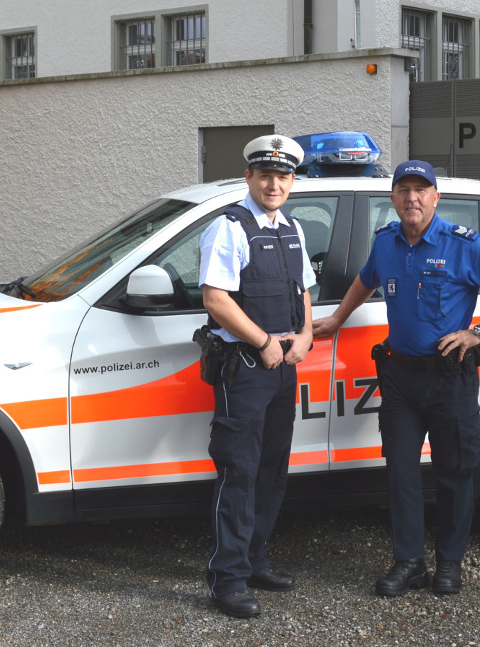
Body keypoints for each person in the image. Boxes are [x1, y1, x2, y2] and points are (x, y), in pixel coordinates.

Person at [312, 160, 480, 597]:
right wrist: (337, 317)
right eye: (404, 190)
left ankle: (450, 563)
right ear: (391, 199)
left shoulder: (461, 244)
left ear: (435, 196)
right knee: (402, 473)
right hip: (401, 380)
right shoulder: (387, 242)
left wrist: (479, 331)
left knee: (453, 472)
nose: (412, 198)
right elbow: (365, 280)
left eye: (421, 189)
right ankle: (408, 562)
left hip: (449, 379)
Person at [198, 134, 317, 618]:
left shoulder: (292, 228)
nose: (274, 183)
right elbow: (216, 299)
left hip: (284, 365)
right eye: (265, 174)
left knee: (272, 470)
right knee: (239, 472)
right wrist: (265, 343)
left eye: (283, 176)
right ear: (248, 177)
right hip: (245, 369)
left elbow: (303, 288)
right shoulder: (230, 229)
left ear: (292, 181)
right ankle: (227, 581)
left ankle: (254, 561)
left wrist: (305, 334)